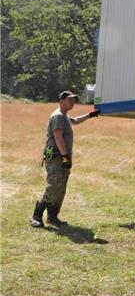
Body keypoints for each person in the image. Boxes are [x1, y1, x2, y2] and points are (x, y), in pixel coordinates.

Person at [31, 90, 100, 228]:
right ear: (61, 101)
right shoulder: (57, 116)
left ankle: (52, 216)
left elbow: (75, 120)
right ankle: (36, 216)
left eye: (74, 100)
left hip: (62, 156)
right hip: (57, 156)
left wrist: (90, 115)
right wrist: (66, 156)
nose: (72, 102)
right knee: (54, 185)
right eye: (69, 100)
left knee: (61, 186)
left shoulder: (64, 116)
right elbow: (58, 137)